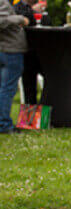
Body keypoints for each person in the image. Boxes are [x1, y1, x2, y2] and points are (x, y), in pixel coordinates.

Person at [0, 0, 28, 134]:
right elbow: (2, 21)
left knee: (4, 88)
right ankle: (4, 124)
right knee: (7, 89)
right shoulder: (3, 2)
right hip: (10, 51)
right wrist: (20, 19)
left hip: (4, 50)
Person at [14, 0, 47, 104]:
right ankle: (31, 113)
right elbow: (23, 21)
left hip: (43, 52)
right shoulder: (17, 8)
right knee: (29, 89)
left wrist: (42, 14)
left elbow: (47, 23)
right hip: (27, 52)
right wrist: (33, 11)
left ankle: (45, 109)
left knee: (51, 82)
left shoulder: (41, 6)